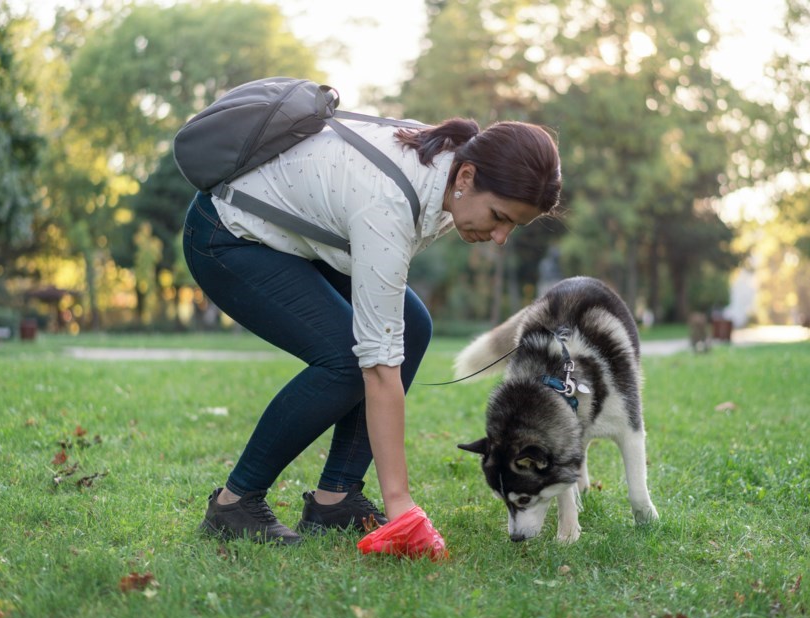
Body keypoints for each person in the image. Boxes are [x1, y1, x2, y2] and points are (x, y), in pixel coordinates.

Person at [182, 115, 562, 550]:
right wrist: (400, 503)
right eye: (499, 217)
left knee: (413, 327)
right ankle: (234, 505)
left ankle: (335, 500)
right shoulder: (389, 202)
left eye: (513, 226)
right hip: (228, 235)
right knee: (346, 359)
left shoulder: (447, 173)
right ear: (468, 176)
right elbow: (379, 368)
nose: (499, 237)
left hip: (296, 237)